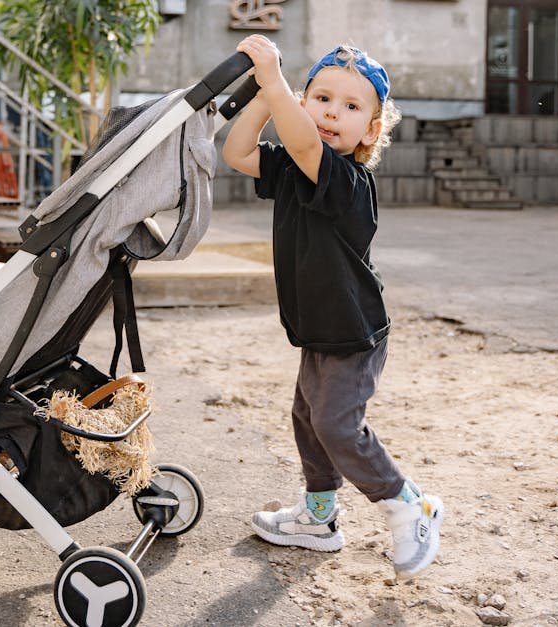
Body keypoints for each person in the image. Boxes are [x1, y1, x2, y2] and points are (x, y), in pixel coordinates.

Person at [222, 35, 444, 580]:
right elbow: (237, 153)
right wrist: (265, 98)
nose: (330, 113)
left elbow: (304, 147)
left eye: (349, 106)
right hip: (317, 329)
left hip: (354, 331)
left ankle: (408, 503)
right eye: (321, 99)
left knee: (337, 426)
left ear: (371, 130)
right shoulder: (293, 166)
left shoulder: (347, 181)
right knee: (308, 420)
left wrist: (278, 87)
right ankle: (318, 518)